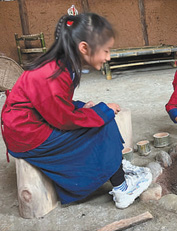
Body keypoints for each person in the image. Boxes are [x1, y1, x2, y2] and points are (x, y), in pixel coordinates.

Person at [1, 13, 151, 209]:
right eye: (106, 51)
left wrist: (81, 107)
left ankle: (115, 167)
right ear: (84, 48)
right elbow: (63, 120)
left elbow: (56, 104)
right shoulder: (50, 74)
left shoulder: (62, 65)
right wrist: (102, 111)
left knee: (99, 116)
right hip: (28, 135)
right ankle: (122, 189)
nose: (109, 56)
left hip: (33, 125)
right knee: (103, 123)